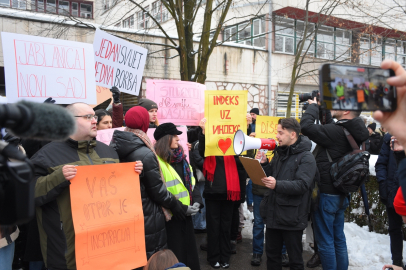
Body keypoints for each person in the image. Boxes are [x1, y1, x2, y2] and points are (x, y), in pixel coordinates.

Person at [31, 102, 143, 270]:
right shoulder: (47, 155)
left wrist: (132, 173)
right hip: (67, 252)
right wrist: (58, 177)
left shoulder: (109, 152)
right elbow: (28, 193)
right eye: (88, 117)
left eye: (94, 117)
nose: (94, 121)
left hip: (107, 248)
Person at [300, 99, 369, 270]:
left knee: (325, 241)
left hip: (327, 194)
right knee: (338, 238)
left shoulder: (337, 132)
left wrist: (313, 107)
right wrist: (325, 113)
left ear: (346, 112)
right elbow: (334, 132)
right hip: (341, 193)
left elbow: (306, 126)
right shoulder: (356, 131)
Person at [111, 106, 181, 260]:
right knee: (151, 259)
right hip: (148, 216)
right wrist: (175, 204)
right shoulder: (145, 153)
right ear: (143, 124)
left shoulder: (115, 145)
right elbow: (157, 190)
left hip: (126, 212)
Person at [257, 118, 316, 270]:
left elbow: (302, 185)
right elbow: (274, 176)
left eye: (280, 133)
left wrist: (277, 184)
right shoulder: (280, 153)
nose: (277, 136)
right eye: (277, 132)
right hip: (274, 213)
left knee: (295, 260)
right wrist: (264, 164)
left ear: (293, 134)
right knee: (272, 257)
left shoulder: (306, 157)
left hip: (292, 218)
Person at [198, 116, 248, 269]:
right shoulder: (211, 140)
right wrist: (203, 132)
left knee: (225, 227)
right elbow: (201, 152)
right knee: (213, 227)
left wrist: (247, 130)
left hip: (230, 191)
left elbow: (243, 159)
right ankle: (214, 258)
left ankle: (225, 257)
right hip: (214, 191)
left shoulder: (235, 142)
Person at [153, 123, 203, 270]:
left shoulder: (181, 158)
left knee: (189, 254)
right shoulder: (157, 161)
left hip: (186, 215)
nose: (178, 139)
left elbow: (191, 183)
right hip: (170, 217)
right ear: (165, 139)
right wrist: (181, 208)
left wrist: (198, 202)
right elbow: (160, 191)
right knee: (176, 255)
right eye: (174, 136)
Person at [375, 133, 405, 268]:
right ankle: (397, 262)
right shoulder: (389, 139)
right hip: (392, 192)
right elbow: (381, 164)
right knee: (394, 229)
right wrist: (383, 186)